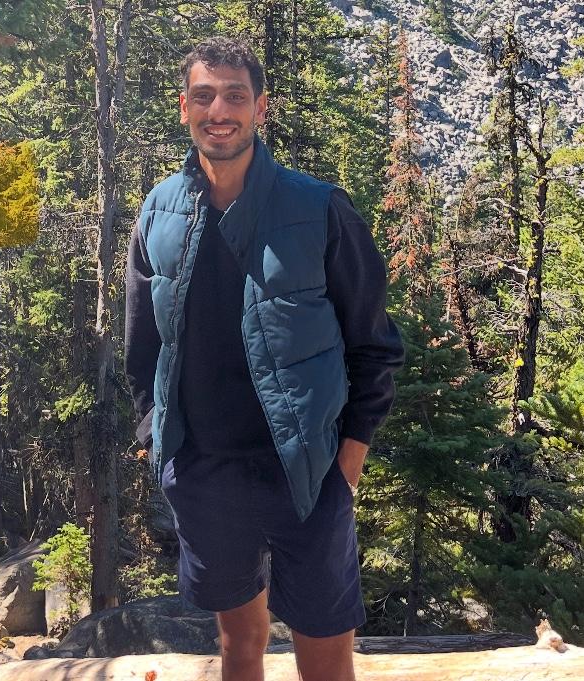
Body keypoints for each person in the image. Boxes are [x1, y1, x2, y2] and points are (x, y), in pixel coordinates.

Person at [125, 36, 405, 681]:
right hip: (205, 471)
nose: (218, 110)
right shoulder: (158, 212)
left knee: (325, 650)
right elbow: (144, 344)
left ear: (260, 107)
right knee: (238, 643)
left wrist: (350, 457)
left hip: (307, 469)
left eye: (235, 96)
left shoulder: (318, 208)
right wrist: (155, 437)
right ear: (184, 107)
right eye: (204, 96)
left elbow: (372, 343)